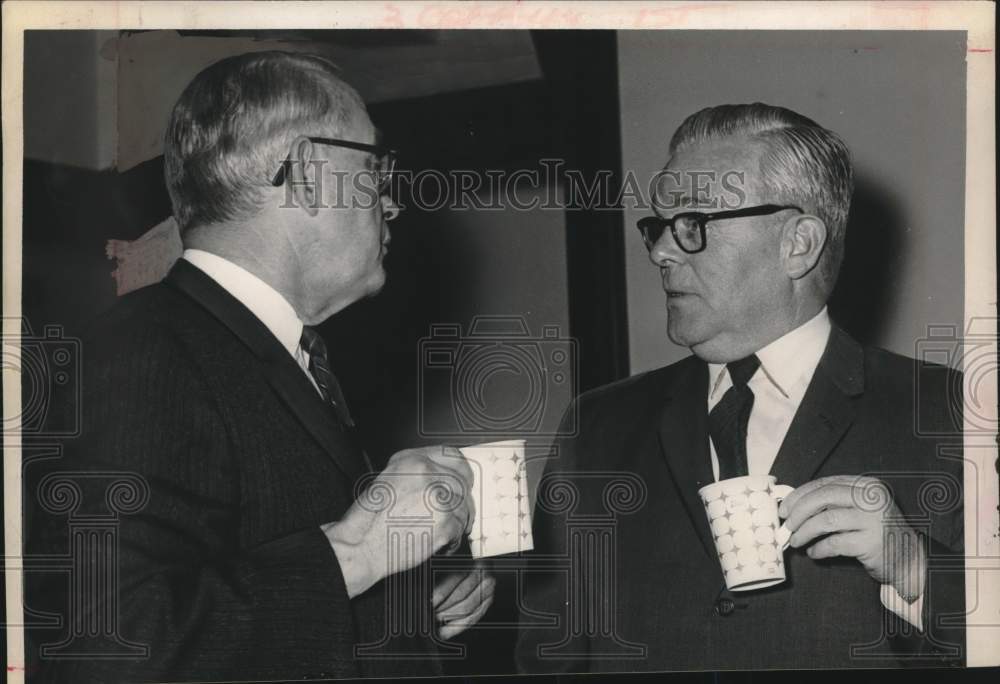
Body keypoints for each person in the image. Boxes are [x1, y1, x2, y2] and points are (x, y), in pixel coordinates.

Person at [26, 51, 494, 682]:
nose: (393, 203)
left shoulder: (265, 351)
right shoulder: (145, 350)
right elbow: (111, 647)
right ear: (307, 174)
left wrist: (403, 600)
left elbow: (246, 580)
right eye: (375, 170)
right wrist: (361, 550)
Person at [516, 103, 965, 671]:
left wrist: (917, 569)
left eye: (693, 224)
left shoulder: (952, 413)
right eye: (658, 227)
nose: (659, 251)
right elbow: (545, 660)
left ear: (798, 244)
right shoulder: (596, 429)